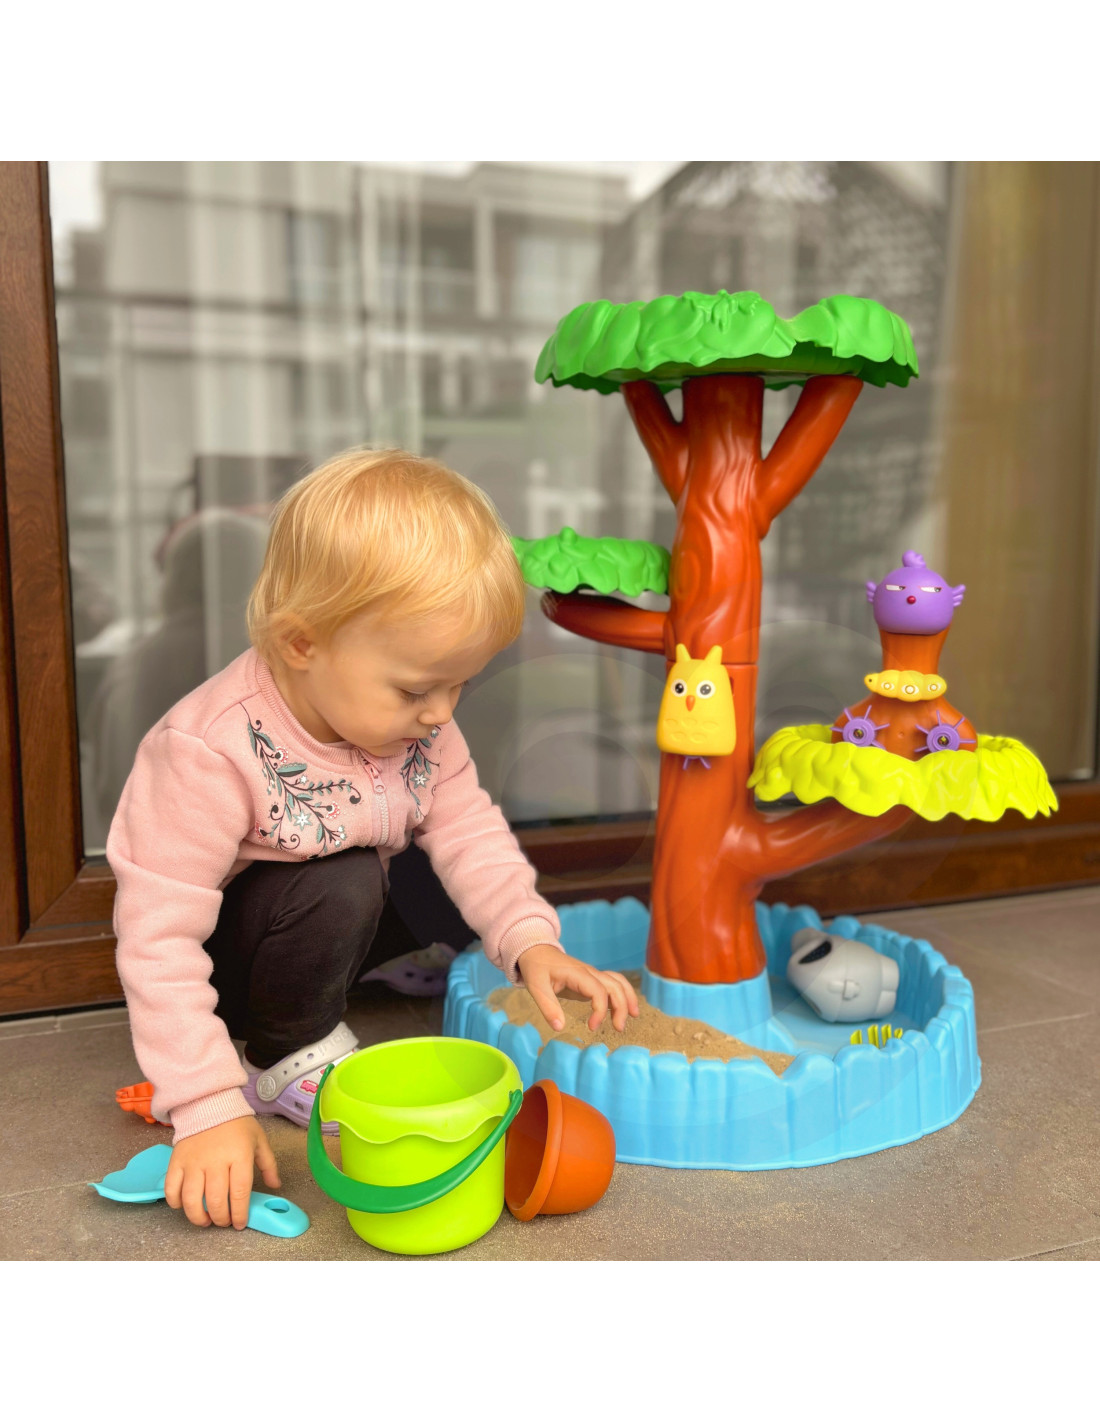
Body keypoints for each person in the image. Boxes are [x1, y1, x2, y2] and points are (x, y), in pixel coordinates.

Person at [107, 448, 639, 1231]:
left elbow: (470, 831)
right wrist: (206, 1104)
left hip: (329, 907)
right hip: (235, 960)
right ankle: (282, 1053)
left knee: (445, 851)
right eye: (418, 688)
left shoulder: (419, 726)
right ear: (302, 644)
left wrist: (532, 941)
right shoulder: (209, 750)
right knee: (344, 875)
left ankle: (367, 963)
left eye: (460, 684)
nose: (442, 713)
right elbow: (157, 939)